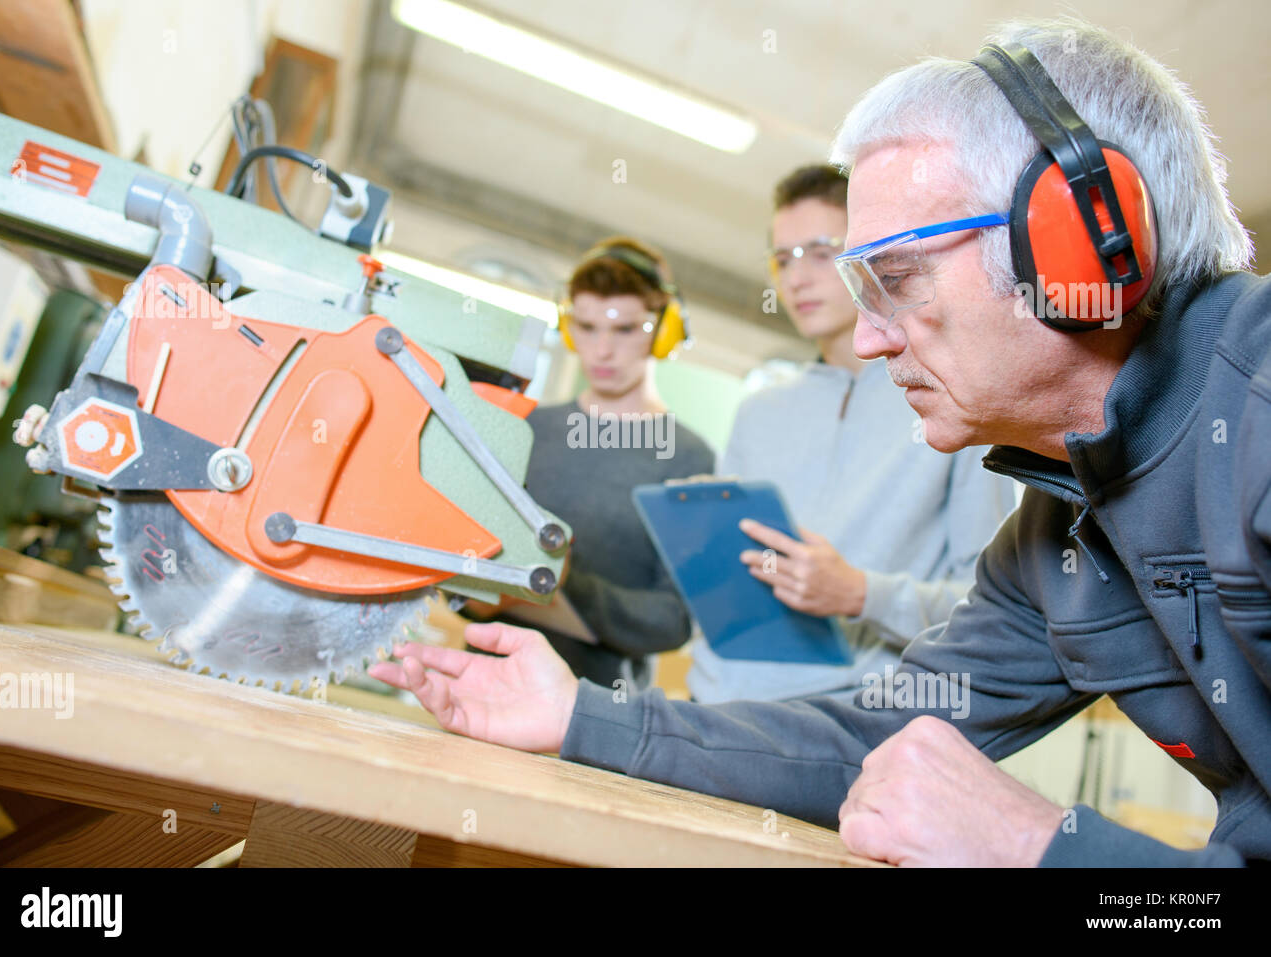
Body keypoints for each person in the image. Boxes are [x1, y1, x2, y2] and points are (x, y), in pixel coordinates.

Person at [371, 18, 1270, 867]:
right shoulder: (1058, 531)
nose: (872, 339)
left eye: (900, 279)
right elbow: (870, 736)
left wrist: (1036, 848)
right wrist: (581, 716)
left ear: (1080, 238)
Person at [690, 164, 1017, 703]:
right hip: (721, 704)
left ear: (871, 251)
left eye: (820, 252)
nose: (795, 279)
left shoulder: (954, 403)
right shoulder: (758, 412)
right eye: (782, 259)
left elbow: (991, 611)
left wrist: (861, 594)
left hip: (859, 719)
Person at [477, 237, 714, 692]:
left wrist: (560, 582)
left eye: (625, 330)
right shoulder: (527, 428)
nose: (601, 351)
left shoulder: (688, 456)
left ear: (664, 331)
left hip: (603, 711)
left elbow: (671, 620)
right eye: (586, 327)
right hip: (487, 681)